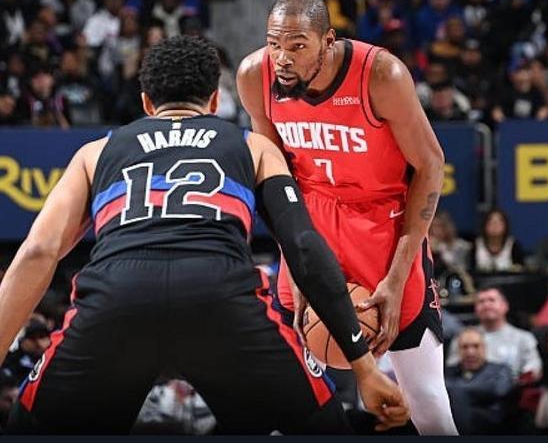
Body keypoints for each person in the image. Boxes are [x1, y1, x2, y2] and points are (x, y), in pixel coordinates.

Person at [0, 35, 409, 435]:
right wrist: (363, 367)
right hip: (220, 297)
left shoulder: (95, 152)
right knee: (324, 427)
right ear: (215, 101)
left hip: (117, 298)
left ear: (146, 102)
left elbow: (39, 251)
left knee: (27, 427)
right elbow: (303, 246)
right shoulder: (254, 147)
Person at [237, 0, 457, 435]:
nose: (283, 58)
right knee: (287, 399)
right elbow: (275, 179)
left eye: (297, 45)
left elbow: (431, 165)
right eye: (274, 43)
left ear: (328, 41)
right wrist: (297, 267)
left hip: (383, 223)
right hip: (311, 223)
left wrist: (397, 277)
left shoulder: (381, 75)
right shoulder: (254, 76)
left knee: (427, 402)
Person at [447, 287, 542, 381]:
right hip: (471, 387)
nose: (486, 305)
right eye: (481, 302)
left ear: (505, 306)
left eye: (491, 300)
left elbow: (534, 369)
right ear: (475, 308)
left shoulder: (524, 338)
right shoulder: (463, 337)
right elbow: (452, 368)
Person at [445, 328, 513, 435]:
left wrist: (455, 389)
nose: (470, 352)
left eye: (476, 346)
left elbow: (498, 390)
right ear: (458, 350)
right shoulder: (447, 372)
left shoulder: (500, 370)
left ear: (484, 348)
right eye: (465, 347)